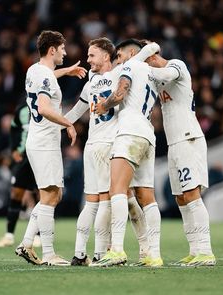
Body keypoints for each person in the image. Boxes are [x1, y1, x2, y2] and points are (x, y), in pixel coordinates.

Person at [64, 38, 149, 266]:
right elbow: (140, 57)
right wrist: (150, 46)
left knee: (92, 203)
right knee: (106, 203)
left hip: (91, 147)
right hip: (107, 145)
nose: (88, 59)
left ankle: (80, 253)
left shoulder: (93, 82)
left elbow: (75, 112)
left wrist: (61, 124)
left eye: (92, 55)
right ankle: (101, 253)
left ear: (105, 56)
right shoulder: (116, 75)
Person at [15, 30, 86, 266]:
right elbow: (44, 108)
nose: (65, 52)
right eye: (62, 48)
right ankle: (48, 254)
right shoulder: (44, 75)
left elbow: (47, 79)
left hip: (38, 141)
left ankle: (26, 244)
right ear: (52, 49)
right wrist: (69, 123)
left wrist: (66, 71)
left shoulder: (35, 70)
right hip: (45, 143)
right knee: (50, 195)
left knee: (54, 194)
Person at [94, 39, 163, 267]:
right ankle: (153, 254)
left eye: (120, 55)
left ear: (132, 52)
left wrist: (105, 105)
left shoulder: (131, 65)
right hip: (147, 135)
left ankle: (117, 250)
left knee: (117, 189)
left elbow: (121, 93)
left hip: (130, 132)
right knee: (147, 198)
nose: (118, 61)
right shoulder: (152, 73)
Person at [145, 44, 216, 266]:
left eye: (146, 60)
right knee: (180, 197)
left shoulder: (176, 65)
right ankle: (195, 250)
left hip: (188, 137)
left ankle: (206, 250)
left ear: (154, 56)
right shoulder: (156, 79)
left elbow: (165, 73)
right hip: (174, 142)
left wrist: (138, 65)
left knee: (192, 193)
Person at [0, 103, 41, 248]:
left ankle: (39, 236)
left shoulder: (46, 104)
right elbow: (14, 128)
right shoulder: (21, 110)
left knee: (42, 195)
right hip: (23, 158)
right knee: (16, 194)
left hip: (41, 155)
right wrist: (14, 149)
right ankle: (9, 235)